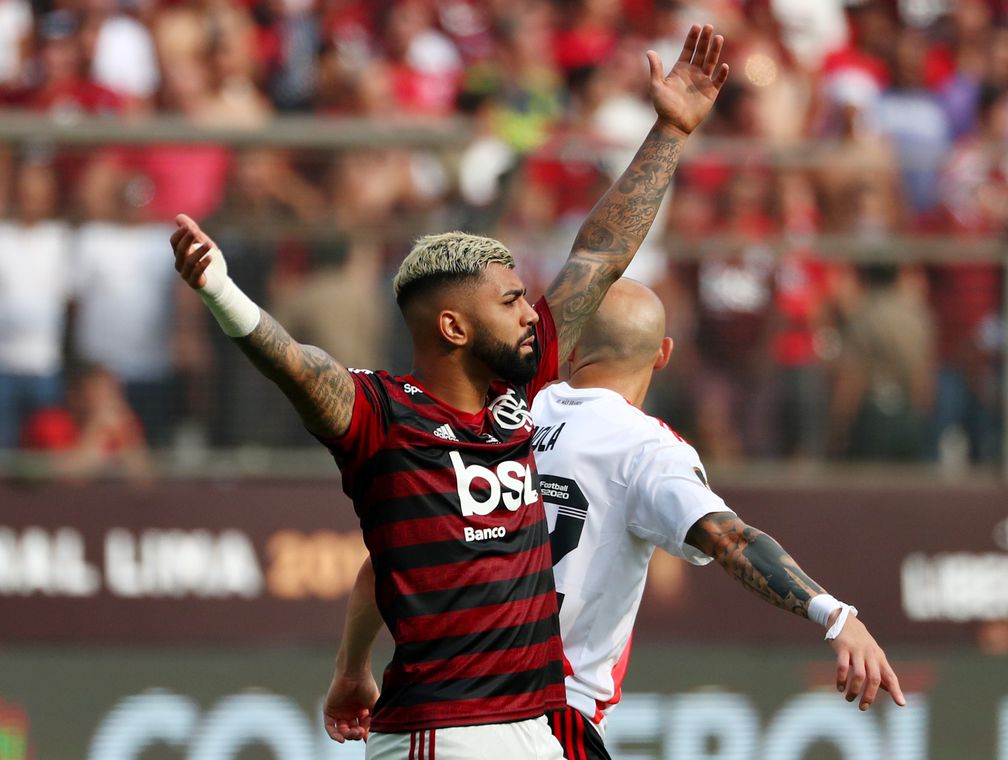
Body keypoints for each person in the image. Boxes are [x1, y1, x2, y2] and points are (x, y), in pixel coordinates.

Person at [171, 24, 729, 760]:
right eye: (511, 301)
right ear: (454, 327)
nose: (530, 313)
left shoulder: (519, 393)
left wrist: (670, 132)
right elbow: (298, 366)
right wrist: (219, 290)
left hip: (533, 727)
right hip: (446, 733)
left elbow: (598, 254)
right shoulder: (383, 416)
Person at [326, 280, 906, 759]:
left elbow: (392, 558)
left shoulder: (505, 413)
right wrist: (833, 614)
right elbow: (731, 540)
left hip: (471, 705)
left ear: (573, 347)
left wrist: (351, 668)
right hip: (551, 714)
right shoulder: (647, 449)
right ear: (664, 354)